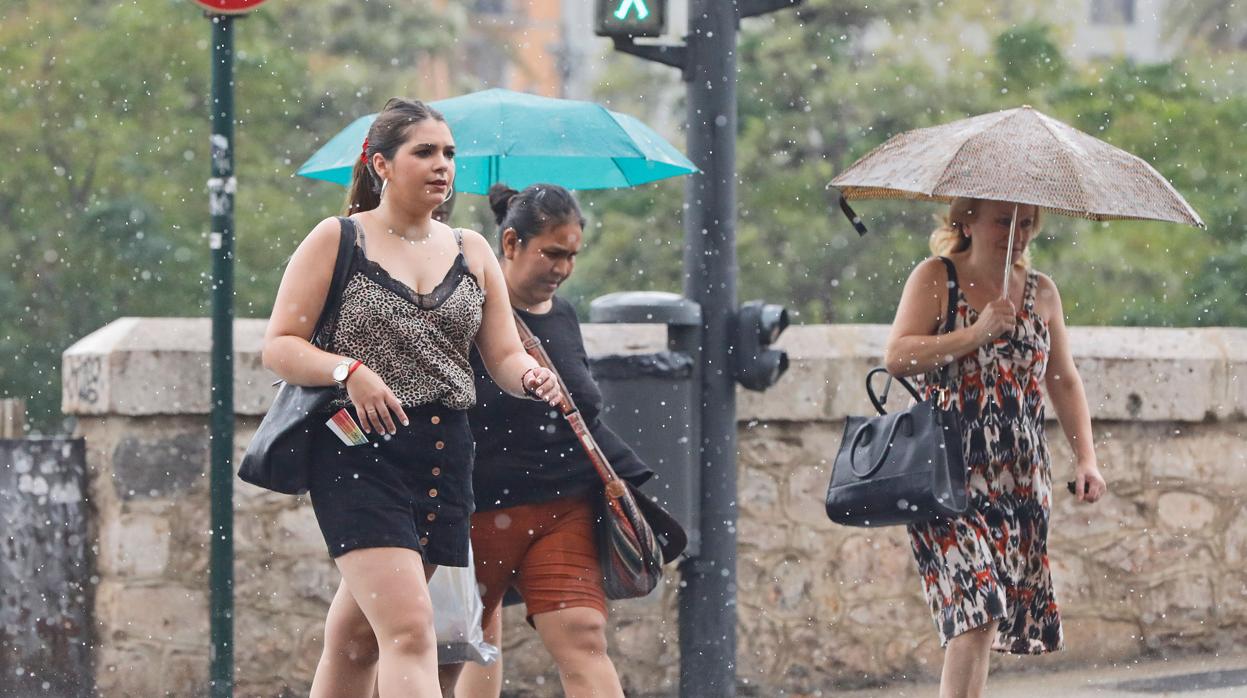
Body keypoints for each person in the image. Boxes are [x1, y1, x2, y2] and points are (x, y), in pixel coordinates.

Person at [261, 97, 561, 698]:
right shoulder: (337, 239)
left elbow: (501, 356)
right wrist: (349, 370)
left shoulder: (472, 249)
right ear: (380, 165)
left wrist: (531, 376)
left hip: (445, 454)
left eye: (449, 153)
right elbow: (280, 346)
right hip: (358, 451)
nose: (442, 164)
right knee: (410, 633)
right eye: (423, 152)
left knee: (356, 642)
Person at [883, 197, 1107, 698]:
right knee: (977, 607)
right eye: (1003, 221)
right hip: (948, 471)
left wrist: (1086, 458)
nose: (1017, 234)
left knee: (988, 616)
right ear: (966, 220)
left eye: (1026, 223)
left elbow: (1064, 381)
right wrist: (976, 332)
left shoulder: (1042, 292)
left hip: (1021, 478)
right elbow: (898, 356)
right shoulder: (936, 277)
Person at [452, 183, 653, 698]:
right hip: (478, 505)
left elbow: (582, 402)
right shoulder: (462, 310)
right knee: (469, 641)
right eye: (553, 253)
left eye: (572, 256)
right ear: (512, 243)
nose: (563, 268)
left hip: (564, 503)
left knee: (584, 636)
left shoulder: (562, 315)